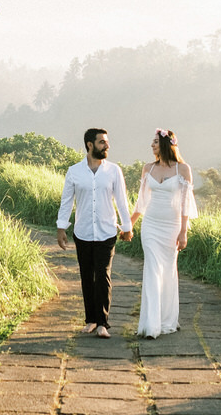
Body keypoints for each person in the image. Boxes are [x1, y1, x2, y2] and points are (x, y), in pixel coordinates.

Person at [57, 127, 133, 339]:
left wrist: (127, 227)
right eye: (102, 142)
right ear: (90, 145)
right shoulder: (74, 171)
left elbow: (121, 200)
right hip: (82, 231)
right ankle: (90, 320)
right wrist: (61, 227)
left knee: (103, 275)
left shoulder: (113, 170)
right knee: (86, 276)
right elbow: (66, 201)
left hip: (107, 231)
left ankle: (103, 322)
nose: (106, 145)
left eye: (106, 142)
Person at [130, 127, 198, 338]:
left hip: (171, 227)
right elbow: (141, 202)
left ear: (167, 145)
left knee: (167, 272)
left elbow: (186, 204)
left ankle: (167, 319)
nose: (152, 145)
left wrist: (183, 232)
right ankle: (151, 325)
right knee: (151, 270)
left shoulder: (183, 169)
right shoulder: (147, 169)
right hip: (150, 225)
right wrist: (128, 224)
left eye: (155, 142)